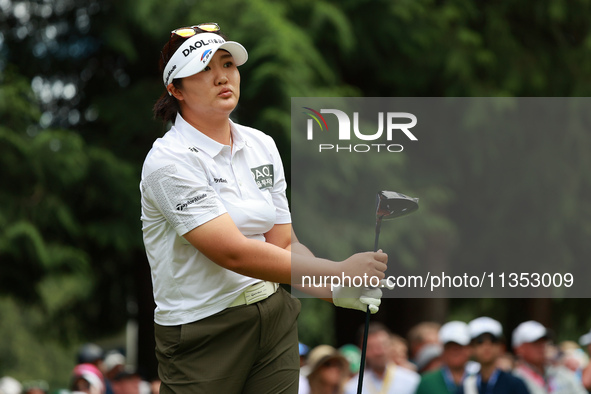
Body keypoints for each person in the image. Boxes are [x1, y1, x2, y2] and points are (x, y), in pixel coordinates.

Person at [141, 22, 389, 393]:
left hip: (273, 316)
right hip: (202, 331)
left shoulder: (261, 145)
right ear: (175, 88)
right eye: (204, 70)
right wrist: (337, 270)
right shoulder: (169, 161)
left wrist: (331, 288)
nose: (222, 77)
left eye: (227, 65)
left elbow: (284, 246)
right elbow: (234, 253)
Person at [344, 322, 420, 394]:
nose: (379, 352)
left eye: (383, 345)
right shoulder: (352, 387)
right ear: (362, 350)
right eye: (372, 347)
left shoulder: (412, 381)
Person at [512, 320, 586, 394]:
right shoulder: (513, 381)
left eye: (544, 341)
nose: (542, 346)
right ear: (519, 348)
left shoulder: (561, 373)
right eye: (536, 343)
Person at [461, 316, 529, 394]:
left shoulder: (515, 384)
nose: (486, 346)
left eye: (493, 340)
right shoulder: (467, 386)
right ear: (471, 348)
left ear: (501, 347)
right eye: (480, 341)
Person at [415, 321, 472, 394]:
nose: (455, 351)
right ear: (442, 350)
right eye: (450, 347)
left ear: (470, 349)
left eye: (460, 347)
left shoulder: (481, 380)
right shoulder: (426, 382)